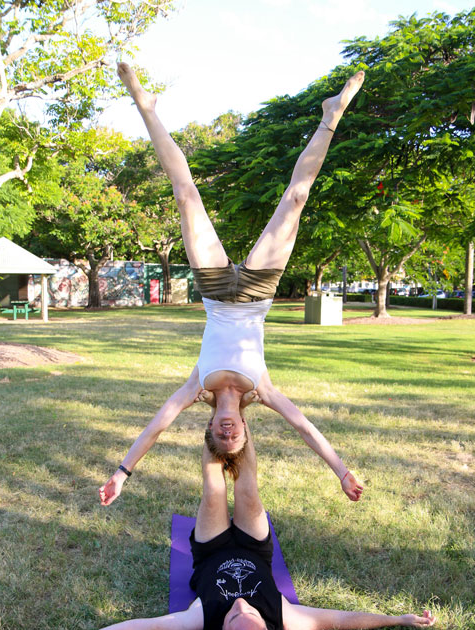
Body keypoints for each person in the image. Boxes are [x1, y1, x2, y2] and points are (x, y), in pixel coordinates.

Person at [99, 63, 366, 507]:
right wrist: (341, 469)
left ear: (209, 431)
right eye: (236, 439)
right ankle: (331, 115)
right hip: (258, 292)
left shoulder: (195, 388)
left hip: (217, 290)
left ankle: (145, 106)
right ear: (244, 429)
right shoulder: (261, 389)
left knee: (186, 196)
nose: (229, 435)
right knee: (295, 199)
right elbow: (304, 427)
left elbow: (156, 425)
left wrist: (122, 473)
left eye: (220, 440)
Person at [35, 423, 435, 630]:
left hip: (210, 550)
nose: (242, 607)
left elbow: (140, 629)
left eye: (233, 617)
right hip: (254, 546)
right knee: (247, 484)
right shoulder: (286, 619)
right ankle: (238, 419)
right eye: (253, 616)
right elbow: (342, 618)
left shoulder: (199, 624)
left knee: (213, 488)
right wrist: (397, 619)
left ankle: (217, 423)